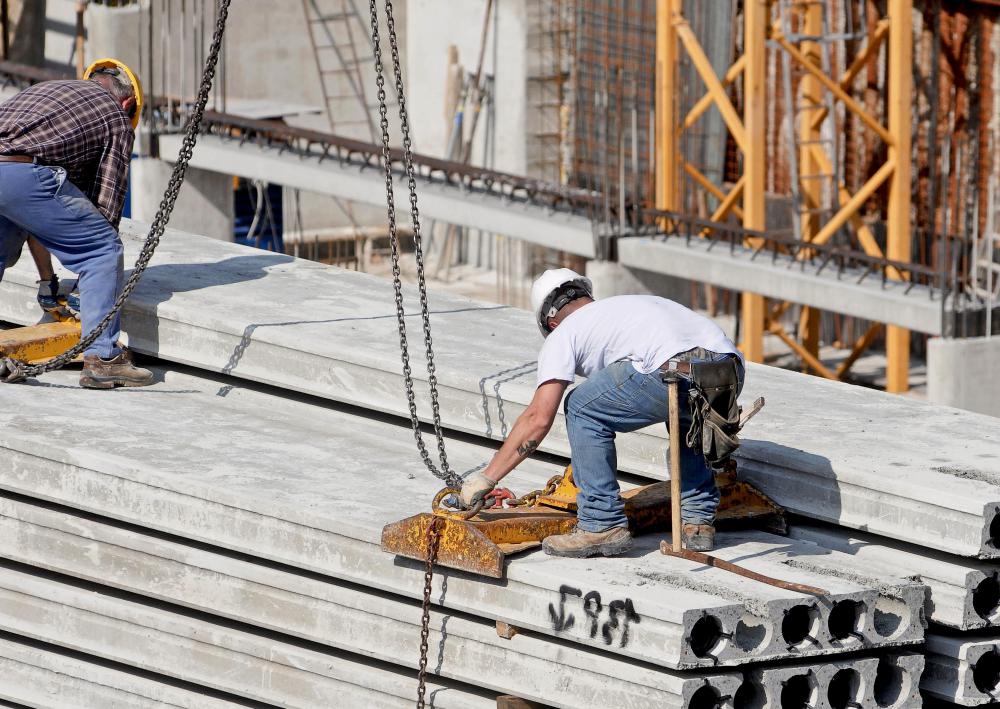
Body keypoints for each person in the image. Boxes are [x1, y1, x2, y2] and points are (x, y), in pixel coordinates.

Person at [460, 269, 745, 558]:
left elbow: (538, 418)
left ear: (552, 322)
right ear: (587, 297)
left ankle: (601, 523)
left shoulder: (564, 333)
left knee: (582, 407)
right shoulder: (624, 307)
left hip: (669, 368)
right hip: (729, 371)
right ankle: (698, 521)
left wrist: (487, 478)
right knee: (689, 417)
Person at [0, 59, 152, 388]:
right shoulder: (116, 117)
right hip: (22, 174)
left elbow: (38, 217)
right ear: (128, 103)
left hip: (9, 171)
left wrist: (48, 283)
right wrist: (88, 288)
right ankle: (103, 358)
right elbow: (107, 206)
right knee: (102, 250)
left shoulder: (50, 91)